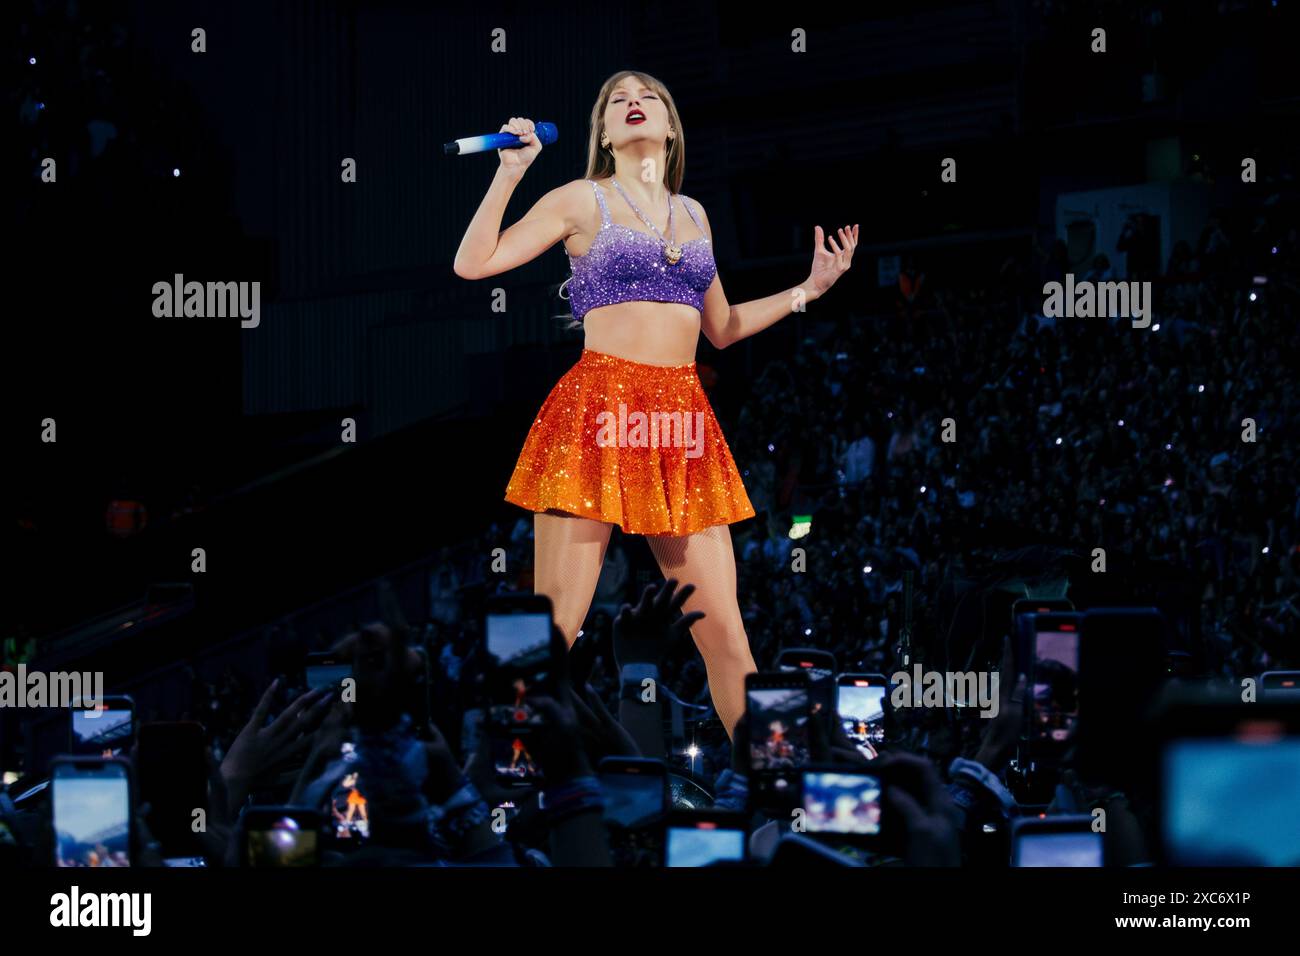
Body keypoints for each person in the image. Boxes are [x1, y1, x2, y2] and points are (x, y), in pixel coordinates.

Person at [453, 70, 857, 738]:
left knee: (726, 630)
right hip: (600, 407)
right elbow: (474, 264)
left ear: (668, 126)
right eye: (617, 101)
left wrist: (805, 291)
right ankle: (504, 785)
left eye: (647, 97)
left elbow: (721, 329)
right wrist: (510, 172)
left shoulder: (695, 214)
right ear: (606, 134)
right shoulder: (581, 199)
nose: (632, 101)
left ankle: (779, 789)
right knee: (554, 627)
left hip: (682, 421)